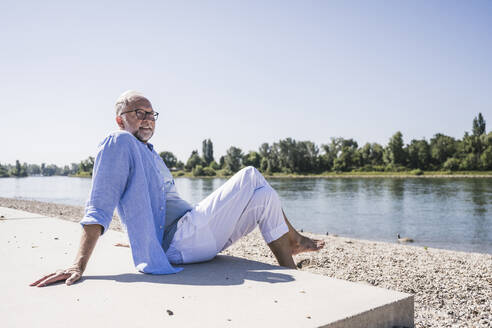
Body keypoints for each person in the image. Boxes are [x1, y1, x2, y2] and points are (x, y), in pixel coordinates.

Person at [30, 91, 325, 287]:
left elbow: (146, 206)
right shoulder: (118, 142)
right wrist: (77, 265)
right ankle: (294, 238)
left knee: (264, 196)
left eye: (151, 114)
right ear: (120, 119)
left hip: (192, 237)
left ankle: (289, 266)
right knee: (250, 174)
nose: (147, 119)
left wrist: (137, 238)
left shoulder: (148, 151)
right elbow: (99, 206)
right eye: (138, 112)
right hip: (181, 240)